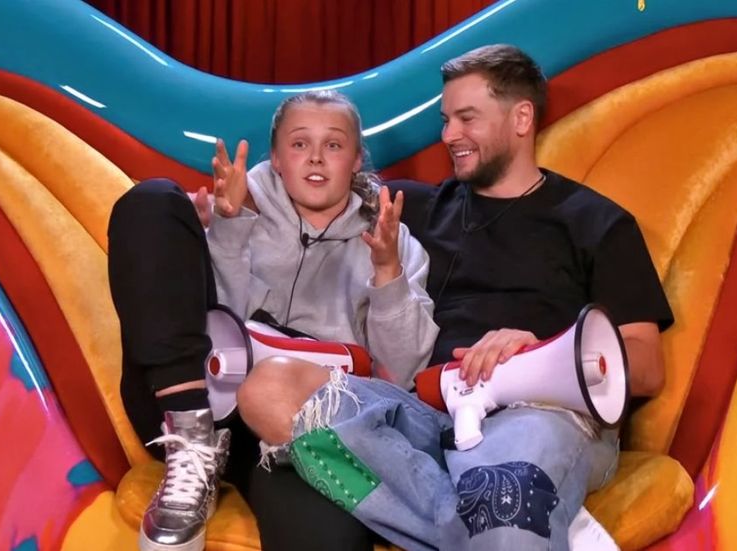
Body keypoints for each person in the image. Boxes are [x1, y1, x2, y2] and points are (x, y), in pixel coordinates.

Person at [236, 44, 673, 550]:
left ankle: (505, 510)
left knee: (501, 484)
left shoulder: (596, 222)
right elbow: (308, 192)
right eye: (446, 120)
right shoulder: (411, 209)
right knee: (268, 389)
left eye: (467, 118)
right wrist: (230, 214)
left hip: (534, 411)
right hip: (421, 415)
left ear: (521, 118)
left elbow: (645, 365)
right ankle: (512, 519)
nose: (448, 136)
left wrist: (537, 351)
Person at [107, 90, 438, 551]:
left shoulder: (392, 240)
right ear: (277, 159)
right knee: (154, 199)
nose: (316, 157)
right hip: (194, 396)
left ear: (356, 160)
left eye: (334, 145)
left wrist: (387, 274)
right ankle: (192, 445)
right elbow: (212, 328)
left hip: (290, 426)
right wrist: (228, 230)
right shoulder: (237, 205)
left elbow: (402, 376)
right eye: (300, 144)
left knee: (326, 536)